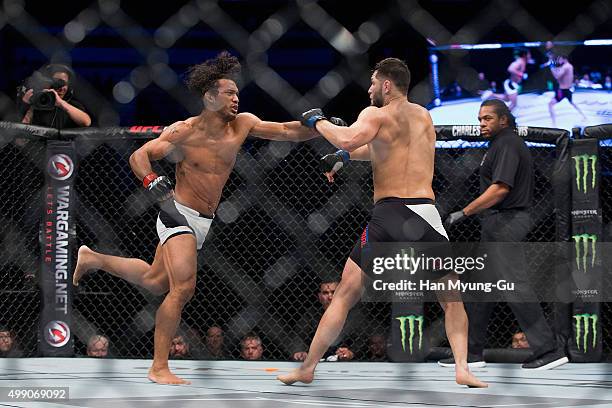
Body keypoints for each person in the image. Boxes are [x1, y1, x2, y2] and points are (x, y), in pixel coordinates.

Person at [72, 51, 337, 384]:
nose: (236, 99)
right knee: (183, 288)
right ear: (210, 97)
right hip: (175, 212)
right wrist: (151, 180)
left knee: (156, 281)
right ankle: (159, 367)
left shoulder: (243, 124)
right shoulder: (185, 131)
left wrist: (320, 128)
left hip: (203, 220)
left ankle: (92, 257)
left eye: (237, 93)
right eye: (229, 93)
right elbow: (140, 155)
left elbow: (285, 130)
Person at [277, 57, 487, 388]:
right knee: (451, 296)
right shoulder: (424, 117)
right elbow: (384, 151)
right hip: (424, 214)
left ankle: (308, 367)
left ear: (387, 84)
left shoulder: (375, 113)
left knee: (345, 294)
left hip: (388, 213)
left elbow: (347, 138)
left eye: (374, 83)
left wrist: (317, 121)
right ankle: (463, 367)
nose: (370, 88)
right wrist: (345, 158)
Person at [442, 98, 568, 370]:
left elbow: (500, 189)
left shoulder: (508, 143)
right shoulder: (498, 145)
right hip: (497, 224)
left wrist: (463, 212)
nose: (481, 124)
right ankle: (472, 352)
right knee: (480, 289)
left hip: (507, 222)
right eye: (479, 119)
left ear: (504, 120)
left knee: (514, 286)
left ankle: (548, 349)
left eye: (487, 118)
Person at [288, 279, 364, 362]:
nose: (330, 297)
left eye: (334, 292)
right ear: (320, 296)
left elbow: (362, 338)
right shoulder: (311, 314)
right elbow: (298, 335)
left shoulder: (351, 314)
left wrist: (351, 352)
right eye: (325, 293)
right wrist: (300, 351)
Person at [18, 64, 91, 128]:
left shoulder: (72, 105)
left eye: (64, 84)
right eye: (57, 83)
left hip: (63, 143)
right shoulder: (37, 102)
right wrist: (25, 105)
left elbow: (86, 122)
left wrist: (61, 103)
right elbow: (19, 135)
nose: (61, 88)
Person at [548, 55, 587, 127]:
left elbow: (557, 76)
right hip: (567, 89)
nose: (559, 61)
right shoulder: (570, 66)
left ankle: (554, 124)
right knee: (572, 103)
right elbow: (560, 71)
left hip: (562, 90)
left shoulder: (565, 67)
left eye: (560, 59)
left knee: (550, 104)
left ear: (564, 59)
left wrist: (551, 68)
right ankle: (584, 116)